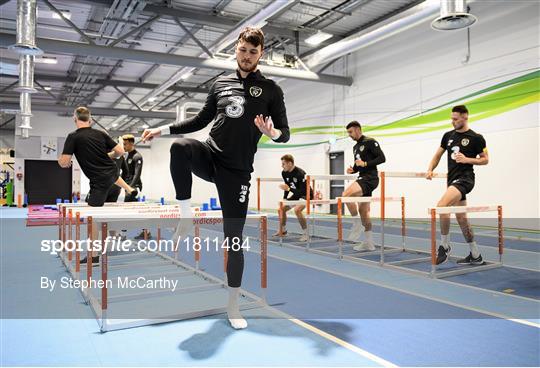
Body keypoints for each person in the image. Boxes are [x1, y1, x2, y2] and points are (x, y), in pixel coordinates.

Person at [140, 27, 290, 329]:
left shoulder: (272, 90)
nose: (246, 57)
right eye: (242, 51)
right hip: (210, 155)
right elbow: (200, 120)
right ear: (235, 49)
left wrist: (271, 132)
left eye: (253, 52)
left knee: (234, 240)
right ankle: (185, 215)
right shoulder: (220, 83)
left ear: (260, 54)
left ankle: (233, 305)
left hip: (237, 172)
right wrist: (163, 130)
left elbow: (285, 134)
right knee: (181, 147)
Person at [58, 107, 138, 263]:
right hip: (112, 173)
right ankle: (128, 188)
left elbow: (64, 162)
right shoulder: (101, 134)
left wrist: (61, 162)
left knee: (92, 219)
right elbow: (121, 151)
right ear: (91, 120)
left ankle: (93, 256)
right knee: (112, 175)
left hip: (99, 182)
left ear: (75, 120)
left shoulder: (73, 137)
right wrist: (107, 155)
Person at [426, 105, 489, 265]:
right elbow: (437, 155)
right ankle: (476, 255)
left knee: (442, 206)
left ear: (465, 117)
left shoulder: (476, 138)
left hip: (465, 179)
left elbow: (485, 159)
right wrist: (430, 169)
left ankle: (445, 246)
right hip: (452, 180)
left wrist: (467, 159)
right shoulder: (447, 135)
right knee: (462, 218)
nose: (452, 121)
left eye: (455, 119)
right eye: (451, 118)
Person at [342, 121, 386, 251]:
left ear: (357, 129)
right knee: (364, 212)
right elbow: (358, 164)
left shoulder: (370, 141)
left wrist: (365, 164)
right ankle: (368, 242)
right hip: (362, 177)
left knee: (345, 195)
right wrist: (353, 169)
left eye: (350, 132)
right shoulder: (355, 147)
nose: (349, 135)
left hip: (369, 178)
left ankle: (356, 224)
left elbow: (382, 158)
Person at [275, 154, 312, 242]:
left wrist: (288, 189)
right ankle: (283, 230)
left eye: (283, 164)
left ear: (290, 163)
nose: (282, 166)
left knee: (297, 210)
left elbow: (302, 191)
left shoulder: (300, 173)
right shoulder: (284, 172)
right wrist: (285, 197)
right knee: (281, 209)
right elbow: (287, 185)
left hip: (306, 194)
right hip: (296, 195)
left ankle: (306, 234)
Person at [122, 134, 148, 239]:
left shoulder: (137, 156)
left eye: (125, 144)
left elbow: (137, 174)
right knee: (137, 211)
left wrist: (130, 188)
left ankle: (123, 235)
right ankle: (146, 231)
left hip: (134, 187)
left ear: (131, 143)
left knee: (126, 210)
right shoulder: (127, 155)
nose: (123, 146)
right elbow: (125, 172)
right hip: (128, 186)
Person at [104, 137, 129, 203]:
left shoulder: (101, 154)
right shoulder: (120, 156)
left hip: (103, 186)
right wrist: (120, 186)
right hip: (116, 187)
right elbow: (126, 171)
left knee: (96, 207)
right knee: (111, 208)